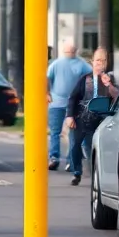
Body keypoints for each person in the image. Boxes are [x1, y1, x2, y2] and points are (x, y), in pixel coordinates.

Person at [66, 48, 119, 185]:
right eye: (97, 60)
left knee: (92, 148)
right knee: (75, 146)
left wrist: (108, 85)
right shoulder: (84, 79)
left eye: (103, 60)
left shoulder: (110, 79)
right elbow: (73, 98)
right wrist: (70, 116)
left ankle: (96, 175)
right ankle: (77, 172)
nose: (100, 63)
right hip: (81, 118)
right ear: (92, 62)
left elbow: (117, 97)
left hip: (99, 120)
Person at [46, 39, 91, 170]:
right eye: (68, 50)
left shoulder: (79, 64)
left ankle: (64, 159)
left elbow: (91, 75)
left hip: (68, 103)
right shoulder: (60, 64)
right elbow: (47, 78)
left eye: (71, 50)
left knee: (65, 133)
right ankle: (60, 159)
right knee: (62, 132)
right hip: (60, 103)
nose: (70, 52)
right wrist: (47, 93)